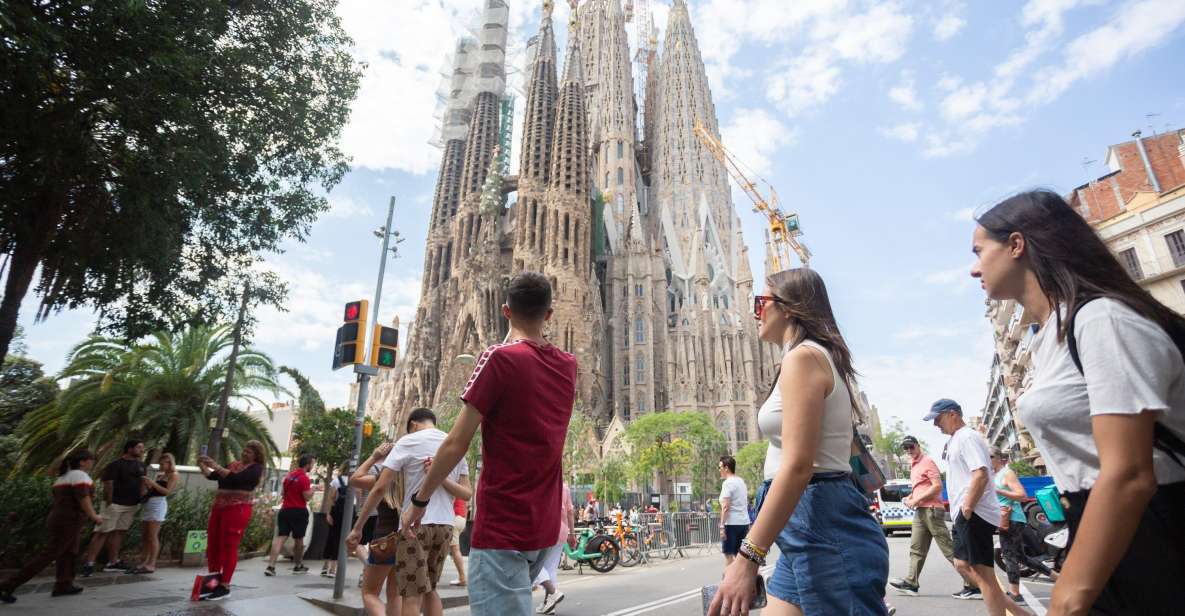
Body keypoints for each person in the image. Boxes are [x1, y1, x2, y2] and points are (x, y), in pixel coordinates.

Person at [972, 189, 1185, 615]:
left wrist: (1069, 596)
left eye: (979, 251)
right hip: (1102, 525)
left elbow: (1128, 474)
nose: (973, 269)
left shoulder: (1101, 320)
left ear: (1016, 245)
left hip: (1150, 529)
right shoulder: (1051, 335)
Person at [709, 268, 889, 616]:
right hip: (805, 527)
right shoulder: (808, 357)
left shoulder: (804, 358)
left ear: (789, 307)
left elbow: (798, 466)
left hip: (822, 525)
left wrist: (747, 557)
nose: (754, 311)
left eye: (761, 302)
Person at [402, 272, 577, 615]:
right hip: (540, 526)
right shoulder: (568, 366)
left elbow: (455, 442)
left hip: (503, 525)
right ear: (549, 314)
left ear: (506, 311)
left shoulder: (498, 358)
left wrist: (419, 501)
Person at [347, 408, 471, 616]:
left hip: (415, 527)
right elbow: (466, 494)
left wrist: (357, 528)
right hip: (445, 527)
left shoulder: (408, 441)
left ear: (413, 424)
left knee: (411, 595)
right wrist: (440, 476)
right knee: (430, 590)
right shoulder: (454, 444)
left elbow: (379, 488)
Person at [926, 399, 1029, 616]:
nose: (935, 424)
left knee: (984, 576)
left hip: (974, 513)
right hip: (964, 513)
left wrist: (968, 507)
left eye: (938, 418)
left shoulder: (967, 437)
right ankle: (1021, 614)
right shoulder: (956, 439)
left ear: (953, 414)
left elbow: (981, 474)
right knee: (962, 564)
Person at [0, 450, 103, 603]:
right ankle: (7, 585)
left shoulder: (62, 478)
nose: (92, 463)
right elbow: (83, 497)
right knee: (49, 554)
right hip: (69, 520)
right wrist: (94, 515)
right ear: (82, 461)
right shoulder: (79, 476)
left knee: (69, 552)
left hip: (60, 518)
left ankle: (64, 584)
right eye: (91, 460)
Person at [889, 435, 980, 599]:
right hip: (920, 511)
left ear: (918, 445)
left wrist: (916, 499)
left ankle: (974, 586)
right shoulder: (914, 464)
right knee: (916, 549)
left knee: (948, 549)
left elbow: (937, 487)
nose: (909, 450)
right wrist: (911, 497)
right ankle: (911, 583)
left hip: (931, 510)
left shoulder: (927, 461)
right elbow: (921, 487)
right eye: (906, 448)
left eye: (911, 447)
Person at [197, 440, 267, 601]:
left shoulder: (256, 469)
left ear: (256, 455)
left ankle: (225, 585)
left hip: (238, 509)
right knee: (213, 545)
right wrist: (202, 465)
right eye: (244, 449)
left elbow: (238, 479)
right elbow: (212, 476)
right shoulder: (233, 464)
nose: (244, 453)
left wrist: (216, 465)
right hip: (219, 508)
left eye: (249, 451)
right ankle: (213, 582)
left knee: (229, 546)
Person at [991, 447, 1058, 605]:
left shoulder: (1007, 473)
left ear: (1000, 458)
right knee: (1021, 557)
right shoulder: (993, 475)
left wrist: (1000, 491)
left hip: (1012, 518)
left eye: (991, 456)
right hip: (1006, 518)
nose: (987, 459)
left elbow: (1022, 496)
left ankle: (1015, 593)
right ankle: (1057, 577)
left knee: (1009, 556)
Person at [350, 442, 402, 616]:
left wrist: (374, 456)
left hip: (384, 539)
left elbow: (354, 479)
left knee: (370, 593)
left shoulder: (383, 477)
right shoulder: (412, 476)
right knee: (395, 594)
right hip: (407, 537)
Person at [81, 440, 146, 576]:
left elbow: (142, 483)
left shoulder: (141, 465)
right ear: (129, 449)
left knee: (119, 532)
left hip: (131, 504)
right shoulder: (115, 465)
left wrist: (141, 499)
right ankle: (89, 564)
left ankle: (112, 562)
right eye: (139, 447)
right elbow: (107, 483)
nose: (142, 450)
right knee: (102, 532)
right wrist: (110, 502)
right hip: (114, 504)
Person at [128, 452, 180, 574]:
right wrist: (147, 484)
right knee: (145, 535)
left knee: (152, 535)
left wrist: (153, 483)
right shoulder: (161, 474)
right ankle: (144, 562)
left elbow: (167, 491)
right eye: (160, 463)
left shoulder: (173, 474)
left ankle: (151, 563)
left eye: (163, 463)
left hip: (158, 504)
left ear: (169, 463)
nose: (161, 466)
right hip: (149, 503)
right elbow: (154, 490)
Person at [266, 453, 314, 576]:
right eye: (312, 464)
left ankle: (271, 566)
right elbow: (307, 497)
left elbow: (283, 493)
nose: (312, 466)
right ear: (307, 465)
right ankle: (298, 566)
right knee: (299, 540)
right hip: (298, 511)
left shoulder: (288, 477)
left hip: (285, 510)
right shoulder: (304, 478)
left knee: (280, 538)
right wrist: (313, 489)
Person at [533, 480, 574, 615]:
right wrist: (572, 533)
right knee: (550, 569)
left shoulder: (541, 483)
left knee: (531, 563)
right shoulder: (565, 488)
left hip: (544, 529)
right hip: (562, 531)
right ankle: (549, 604)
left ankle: (553, 592)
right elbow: (570, 512)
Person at [717, 455, 749, 566]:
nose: (719, 470)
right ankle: (749, 580)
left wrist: (722, 526)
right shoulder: (741, 482)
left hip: (731, 524)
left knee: (728, 556)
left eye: (720, 467)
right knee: (740, 556)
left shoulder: (727, 483)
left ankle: (729, 581)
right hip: (744, 523)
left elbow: (725, 507)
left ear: (726, 468)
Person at [322, 463, 352, 577]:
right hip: (348, 513)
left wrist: (328, 513)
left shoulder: (336, 480)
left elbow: (331, 498)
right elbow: (357, 497)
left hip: (336, 512)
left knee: (331, 537)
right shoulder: (355, 480)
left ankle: (325, 566)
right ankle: (333, 569)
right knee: (341, 540)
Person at [447, 497, 467, 587]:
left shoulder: (453, 486)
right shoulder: (461, 489)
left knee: (455, 549)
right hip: (461, 518)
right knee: (454, 549)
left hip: (454, 517)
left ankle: (462, 578)